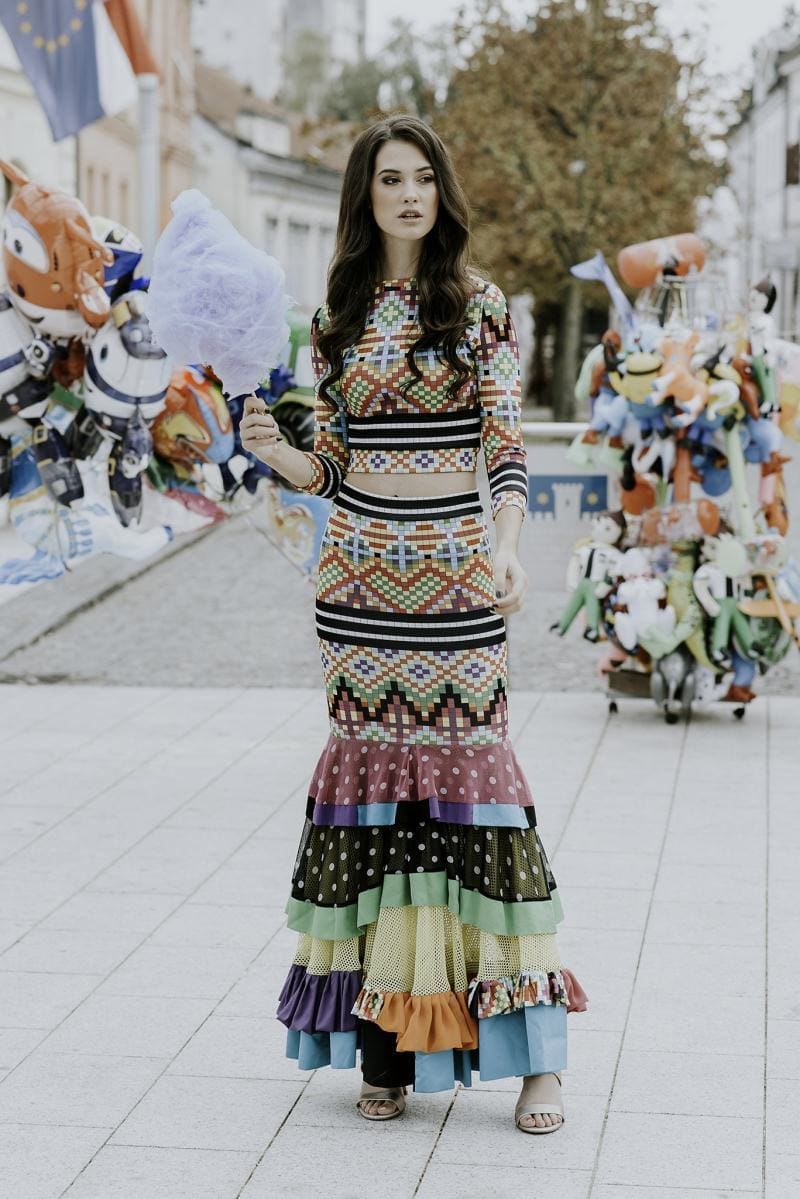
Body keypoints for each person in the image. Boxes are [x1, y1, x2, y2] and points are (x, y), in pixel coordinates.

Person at [241, 114, 586, 1134]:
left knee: (483, 802)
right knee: (376, 808)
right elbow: (334, 465)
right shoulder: (335, 317)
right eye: (389, 178)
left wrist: (508, 545)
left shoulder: (478, 307)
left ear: (441, 192)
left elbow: (505, 450)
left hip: (457, 581)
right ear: (365, 195)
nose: (407, 194)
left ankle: (535, 1057)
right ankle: (386, 1046)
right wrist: (280, 456)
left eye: (422, 177)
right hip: (353, 587)